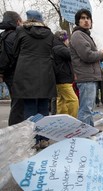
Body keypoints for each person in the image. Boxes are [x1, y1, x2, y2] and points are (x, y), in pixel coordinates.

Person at [12, 10, 56, 148]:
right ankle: (44, 138)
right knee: (43, 106)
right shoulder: (49, 33)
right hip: (45, 73)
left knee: (29, 107)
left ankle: (32, 140)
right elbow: (52, 53)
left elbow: (15, 51)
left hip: (26, 72)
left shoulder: (20, 31)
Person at [70, 8, 103, 126]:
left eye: (88, 18)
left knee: (89, 108)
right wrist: (102, 53)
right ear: (77, 21)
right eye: (83, 18)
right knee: (86, 110)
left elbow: (95, 59)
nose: (86, 21)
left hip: (91, 77)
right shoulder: (77, 35)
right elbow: (87, 56)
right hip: (86, 78)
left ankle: (89, 130)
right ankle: (84, 136)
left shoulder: (85, 35)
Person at [0, 11, 24, 125]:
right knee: (18, 105)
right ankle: (15, 130)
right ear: (18, 21)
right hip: (16, 73)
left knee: (16, 103)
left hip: (8, 74)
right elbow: (16, 56)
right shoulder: (15, 36)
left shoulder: (3, 35)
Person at [52, 30, 79, 118]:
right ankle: (73, 121)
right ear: (64, 39)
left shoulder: (55, 47)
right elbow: (73, 56)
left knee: (61, 101)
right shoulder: (60, 48)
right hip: (64, 80)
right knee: (73, 100)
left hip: (60, 80)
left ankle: (62, 119)